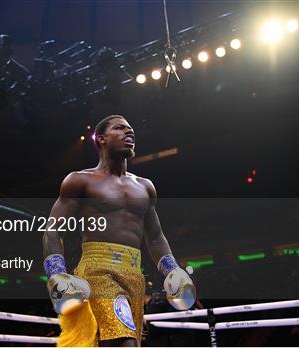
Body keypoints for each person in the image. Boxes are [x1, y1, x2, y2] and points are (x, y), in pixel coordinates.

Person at [42, 115, 195, 347]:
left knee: (115, 342)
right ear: (101, 138)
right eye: (120, 128)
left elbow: (154, 238)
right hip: (98, 273)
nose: (129, 132)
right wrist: (56, 275)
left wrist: (173, 270)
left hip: (134, 276)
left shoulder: (145, 187)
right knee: (124, 342)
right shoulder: (80, 180)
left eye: (130, 129)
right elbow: (53, 232)